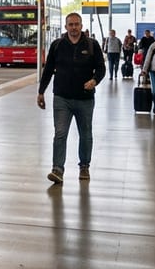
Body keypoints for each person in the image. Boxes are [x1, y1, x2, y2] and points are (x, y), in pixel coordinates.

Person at [37, 12, 105, 184]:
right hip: (62, 98)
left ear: (81, 26)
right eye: (70, 25)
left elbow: (101, 68)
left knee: (85, 134)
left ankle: (84, 166)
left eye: (77, 24)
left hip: (85, 99)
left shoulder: (92, 44)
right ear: (66, 26)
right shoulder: (57, 45)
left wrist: (94, 81)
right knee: (60, 133)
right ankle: (57, 170)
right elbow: (48, 70)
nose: (74, 28)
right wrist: (41, 91)